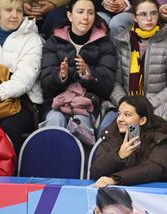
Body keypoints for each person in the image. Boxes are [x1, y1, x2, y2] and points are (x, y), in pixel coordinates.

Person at [39, 0, 117, 146]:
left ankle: (81, 167)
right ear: (70, 16)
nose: (86, 17)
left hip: (89, 106)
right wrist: (60, 76)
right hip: (57, 103)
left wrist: (89, 75)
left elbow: (107, 86)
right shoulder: (54, 41)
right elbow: (45, 84)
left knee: (81, 127)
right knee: (54, 122)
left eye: (90, 12)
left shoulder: (105, 43)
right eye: (80, 12)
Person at [98, 0, 167, 135]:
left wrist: (146, 106)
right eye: (143, 14)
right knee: (106, 131)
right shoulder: (121, 42)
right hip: (125, 105)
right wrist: (125, 104)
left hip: (157, 106)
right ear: (134, 17)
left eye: (153, 13)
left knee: (148, 138)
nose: (149, 18)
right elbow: (115, 81)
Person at [0, 0, 43, 154]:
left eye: (18, 10)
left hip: (22, 102)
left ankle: (8, 174)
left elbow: (26, 77)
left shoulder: (32, 39)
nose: (14, 15)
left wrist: (0, 93)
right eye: (9, 10)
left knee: (8, 128)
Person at [92, 95, 167, 187]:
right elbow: (96, 171)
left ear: (142, 120)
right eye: (119, 114)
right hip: (124, 195)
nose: (119, 119)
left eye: (127, 115)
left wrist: (116, 179)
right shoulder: (112, 134)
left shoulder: (160, 136)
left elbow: (154, 168)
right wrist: (118, 155)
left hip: (161, 195)